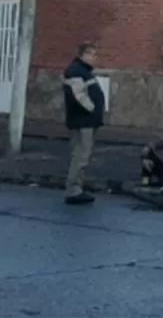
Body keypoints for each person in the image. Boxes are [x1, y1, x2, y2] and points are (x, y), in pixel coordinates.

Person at [62, 42, 106, 205]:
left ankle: (77, 188)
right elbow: (78, 95)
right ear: (84, 55)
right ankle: (73, 190)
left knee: (83, 156)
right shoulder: (75, 71)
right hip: (82, 121)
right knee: (80, 156)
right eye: (93, 55)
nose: (95, 58)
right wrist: (93, 110)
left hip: (86, 120)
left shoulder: (83, 71)